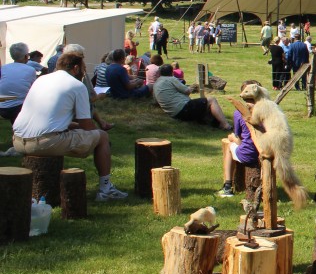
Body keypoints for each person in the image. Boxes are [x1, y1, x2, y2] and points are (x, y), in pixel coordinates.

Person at [13, 53, 125, 201]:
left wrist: (75, 128)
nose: (84, 72)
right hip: (44, 143)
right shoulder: (77, 85)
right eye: (84, 68)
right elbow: (86, 125)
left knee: (77, 132)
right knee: (102, 137)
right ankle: (106, 188)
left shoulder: (41, 80)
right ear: (76, 68)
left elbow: (52, 120)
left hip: (18, 140)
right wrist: (95, 138)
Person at [216, 80, 262, 198]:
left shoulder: (239, 113)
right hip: (266, 152)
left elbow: (240, 139)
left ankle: (227, 186)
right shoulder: (266, 111)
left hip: (250, 154)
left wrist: (232, 138)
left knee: (229, 147)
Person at [152, 64, 230, 130]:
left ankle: (216, 124)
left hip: (174, 113)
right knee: (211, 100)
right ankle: (225, 124)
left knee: (202, 106)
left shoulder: (156, 84)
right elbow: (187, 91)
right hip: (183, 108)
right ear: (171, 72)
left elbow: (156, 101)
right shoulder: (171, 79)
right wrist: (191, 88)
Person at [0, 43, 38, 123]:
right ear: (26, 56)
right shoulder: (30, 70)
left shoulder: (4, 68)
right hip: (19, 107)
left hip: (2, 107)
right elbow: (33, 89)